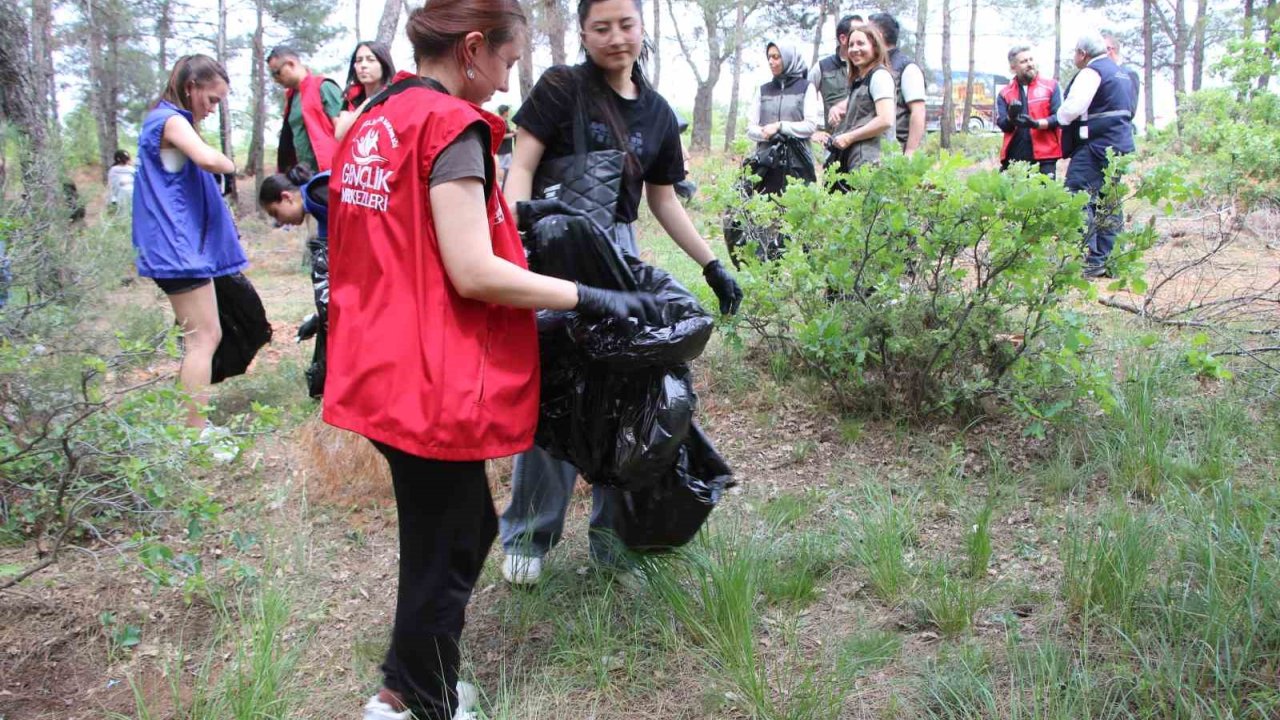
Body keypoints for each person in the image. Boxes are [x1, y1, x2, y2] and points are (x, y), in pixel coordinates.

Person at [323, 1, 663, 718]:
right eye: (508, 62)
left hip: (374, 359)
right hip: (422, 370)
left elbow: (401, 228)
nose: (508, 82)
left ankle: (409, 680)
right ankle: (416, 700)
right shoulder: (451, 126)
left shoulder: (376, 119)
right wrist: (589, 296)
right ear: (473, 48)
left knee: (457, 528)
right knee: (449, 542)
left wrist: (518, 215)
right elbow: (472, 271)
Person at [500, 0, 743, 586]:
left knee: (627, 396)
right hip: (551, 248)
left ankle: (613, 543)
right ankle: (530, 535)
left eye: (625, 24)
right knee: (553, 389)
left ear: (641, 28)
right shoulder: (562, 88)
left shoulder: (658, 114)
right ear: (582, 33)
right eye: (601, 27)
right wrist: (515, 230)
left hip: (619, 255)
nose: (615, 37)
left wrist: (711, 264)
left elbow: (663, 200)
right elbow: (522, 166)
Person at [131, 55, 246, 429]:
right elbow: (207, 159)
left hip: (178, 247)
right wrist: (230, 164)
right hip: (177, 249)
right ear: (190, 86)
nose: (213, 109)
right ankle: (195, 432)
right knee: (203, 339)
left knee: (202, 337)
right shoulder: (171, 120)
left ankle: (194, 427)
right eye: (211, 100)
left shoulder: (164, 120)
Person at [1057, 31, 1136, 278]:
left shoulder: (1092, 72)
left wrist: (1057, 117)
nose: (1074, 57)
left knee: (1079, 197)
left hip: (1094, 147)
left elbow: (1072, 109)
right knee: (1109, 202)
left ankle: (1086, 258)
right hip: (1119, 147)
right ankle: (1108, 259)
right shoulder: (1122, 73)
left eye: (1075, 53)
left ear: (1083, 53)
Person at [258, 165, 331, 397]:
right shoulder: (318, 212)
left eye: (275, 213)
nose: (281, 222)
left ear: (286, 197)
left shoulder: (318, 190)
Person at [746, 41, 821, 194]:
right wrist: (766, 134)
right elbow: (750, 128)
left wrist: (780, 127)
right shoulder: (763, 90)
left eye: (776, 57)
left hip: (798, 164)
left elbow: (810, 126)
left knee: (795, 212)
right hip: (766, 163)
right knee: (764, 211)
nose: (771, 62)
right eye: (769, 57)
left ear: (788, 59)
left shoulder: (806, 87)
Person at [827, 24, 895, 185]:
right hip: (856, 161)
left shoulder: (879, 77)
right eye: (851, 45)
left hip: (871, 162)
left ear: (875, 47)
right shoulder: (860, 81)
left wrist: (849, 137)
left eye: (861, 43)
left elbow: (885, 120)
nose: (855, 49)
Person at [267, 45, 344, 173]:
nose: (276, 79)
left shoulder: (324, 87)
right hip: (303, 176)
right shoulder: (291, 98)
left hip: (329, 173)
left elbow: (344, 131)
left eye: (277, 73)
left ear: (290, 64)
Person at [995, 45, 1062, 178]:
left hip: (1045, 157)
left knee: (1044, 197)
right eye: (1024, 61)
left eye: (1031, 59)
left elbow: (1059, 118)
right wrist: (1011, 117)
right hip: (1014, 157)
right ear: (1013, 68)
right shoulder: (1004, 93)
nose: (1030, 64)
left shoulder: (1051, 86)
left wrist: (1036, 124)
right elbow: (1003, 124)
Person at [809, 14, 862, 150]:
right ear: (843, 39)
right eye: (858, 32)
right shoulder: (822, 67)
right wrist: (813, 132)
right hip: (835, 145)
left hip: (864, 143)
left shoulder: (869, 68)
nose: (863, 35)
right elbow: (802, 101)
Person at [334, 40, 396, 141]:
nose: (363, 65)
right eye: (359, 60)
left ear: (383, 64)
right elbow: (339, 134)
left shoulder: (395, 97)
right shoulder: (352, 98)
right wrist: (366, 104)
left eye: (370, 60)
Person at [1103, 32, 1141, 131]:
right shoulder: (1101, 74)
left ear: (1110, 50)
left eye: (1101, 50)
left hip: (1120, 132)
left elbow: (1130, 109)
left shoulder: (1129, 74)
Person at [494, 104, 515, 187]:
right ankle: (501, 185)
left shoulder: (504, 121)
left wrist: (512, 131)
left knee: (507, 168)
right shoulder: (500, 121)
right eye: (507, 111)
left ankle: (505, 185)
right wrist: (512, 135)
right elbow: (501, 135)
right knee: (503, 167)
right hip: (503, 150)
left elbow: (507, 131)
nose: (508, 113)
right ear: (505, 112)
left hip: (507, 149)